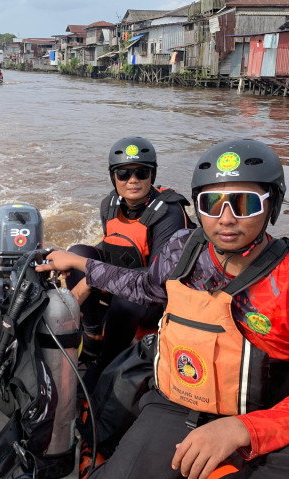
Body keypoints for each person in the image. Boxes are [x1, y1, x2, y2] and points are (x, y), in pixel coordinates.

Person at [38, 139, 289, 479]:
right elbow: (142, 286)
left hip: (261, 413)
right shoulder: (181, 251)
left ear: (271, 205)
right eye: (212, 203)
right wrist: (81, 265)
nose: (226, 219)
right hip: (176, 403)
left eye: (244, 203)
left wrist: (240, 429)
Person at [66, 136, 191, 390]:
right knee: (76, 253)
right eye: (123, 174)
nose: (132, 180)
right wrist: (79, 265)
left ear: (152, 175)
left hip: (155, 299)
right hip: (121, 283)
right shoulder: (109, 205)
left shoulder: (169, 213)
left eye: (141, 173)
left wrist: (92, 279)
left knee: (126, 299)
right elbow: (112, 246)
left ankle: (104, 362)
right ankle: (92, 335)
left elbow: (158, 279)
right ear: (114, 177)